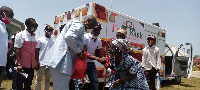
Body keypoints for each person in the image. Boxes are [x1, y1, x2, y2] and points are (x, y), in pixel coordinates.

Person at [40, 15, 98, 90]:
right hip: (61, 62)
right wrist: (79, 53)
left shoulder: (76, 25)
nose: (91, 29)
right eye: (92, 26)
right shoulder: (80, 25)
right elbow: (69, 37)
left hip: (60, 62)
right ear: (89, 21)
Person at [74, 22, 103, 90]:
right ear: (92, 29)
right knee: (79, 85)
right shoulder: (85, 37)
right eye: (95, 29)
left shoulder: (99, 40)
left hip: (91, 63)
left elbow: (97, 53)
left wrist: (103, 60)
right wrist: (98, 59)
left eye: (98, 30)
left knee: (95, 84)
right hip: (82, 62)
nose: (97, 31)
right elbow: (85, 54)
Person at [14, 18, 40, 90]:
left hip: (31, 66)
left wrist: (37, 61)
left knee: (28, 85)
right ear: (27, 25)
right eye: (33, 25)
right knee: (19, 85)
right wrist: (19, 64)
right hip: (22, 65)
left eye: (36, 25)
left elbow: (36, 51)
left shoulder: (36, 37)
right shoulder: (21, 35)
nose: (35, 27)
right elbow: (18, 49)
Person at [35, 25, 54, 90]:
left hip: (49, 63)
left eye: (51, 31)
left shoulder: (53, 41)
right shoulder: (40, 40)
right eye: (49, 31)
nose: (50, 32)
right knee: (39, 79)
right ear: (45, 31)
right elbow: (36, 51)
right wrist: (37, 61)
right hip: (41, 62)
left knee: (48, 79)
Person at [0, 6, 14, 87]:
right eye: (10, 16)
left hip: (2, 61)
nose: (11, 19)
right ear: (3, 14)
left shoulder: (3, 26)